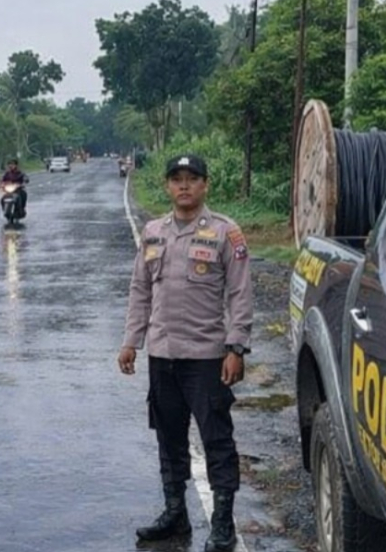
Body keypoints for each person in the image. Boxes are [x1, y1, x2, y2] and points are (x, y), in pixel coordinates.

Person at [117, 154, 252, 552]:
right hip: (163, 355)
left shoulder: (227, 233)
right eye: (176, 179)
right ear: (167, 187)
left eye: (192, 179)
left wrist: (236, 347)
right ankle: (175, 513)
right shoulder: (153, 232)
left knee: (216, 441)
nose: (184, 186)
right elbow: (140, 290)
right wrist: (131, 341)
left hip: (207, 357)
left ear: (205, 185)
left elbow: (240, 294)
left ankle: (223, 524)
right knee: (169, 439)